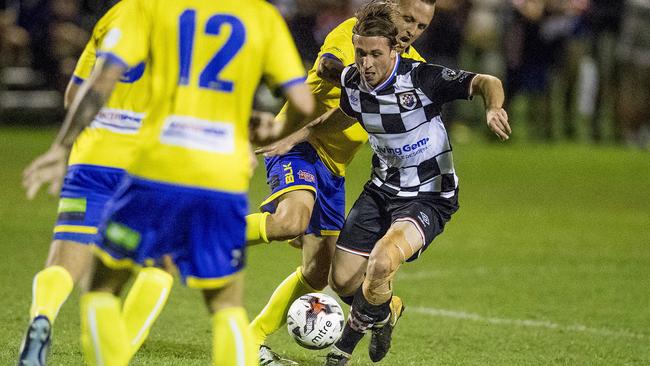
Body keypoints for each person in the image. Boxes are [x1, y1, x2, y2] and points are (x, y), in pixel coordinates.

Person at [22, 0, 315, 364]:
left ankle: (84, 341)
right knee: (226, 305)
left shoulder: (148, 9)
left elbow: (97, 84)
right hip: (222, 173)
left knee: (100, 288)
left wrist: (61, 146)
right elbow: (302, 101)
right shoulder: (261, 16)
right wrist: (273, 132)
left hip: (155, 164)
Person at [260, 4, 510, 364]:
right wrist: (295, 138)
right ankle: (384, 313)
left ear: (395, 49)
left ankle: (342, 351)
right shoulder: (352, 81)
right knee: (343, 280)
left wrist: (493, 108)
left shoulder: (424, 79)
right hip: (382, 190)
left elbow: (488, 81)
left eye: (375, 54)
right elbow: (344, 116)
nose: (366, 63)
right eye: (360, 53)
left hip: (428, 195)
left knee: (381, 262)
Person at [245, 1, 436, 363]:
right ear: (391, 9)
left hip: (335, 168)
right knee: (290, 221)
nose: (412, 30)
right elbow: (328, 66)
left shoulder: (414, 68)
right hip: (298, 142)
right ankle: (203, 236)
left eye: (422, 26)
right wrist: (366, 78)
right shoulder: (356, 35)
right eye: (408, 18)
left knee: (319, 274)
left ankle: (385, 307)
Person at [18, 3, 173, 365]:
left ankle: (42, 317)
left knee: (66, 256)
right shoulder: (189, 22)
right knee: (160, 265)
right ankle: (115, 357)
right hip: (149, 163)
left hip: (91, 156)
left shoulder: (117, 15)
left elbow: (76, 94)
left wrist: (63, 146)